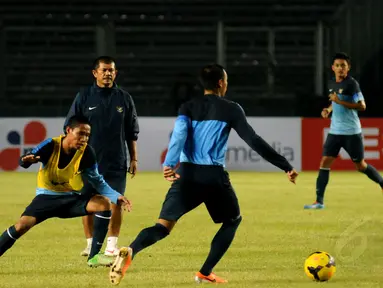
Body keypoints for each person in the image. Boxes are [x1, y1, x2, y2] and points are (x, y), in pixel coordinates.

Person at [108, 64, 298, 285]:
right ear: (220, 83)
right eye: (226, 81)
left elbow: (178, 136)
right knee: (232, 220)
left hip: (186, 174)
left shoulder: (187, 107)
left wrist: (169, 163)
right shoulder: (231, 109)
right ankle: (205, 272)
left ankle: (131, 250)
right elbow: (253, 141)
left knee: (162, 226)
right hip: (213, 176)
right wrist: (284, 165)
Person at [0, 115, 131, 267]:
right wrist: (25, 161)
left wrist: (116, 196)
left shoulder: (87, 152)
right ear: (68, 130)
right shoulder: (51, 145)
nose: (84, 139)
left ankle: (94, 257)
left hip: (70, 198)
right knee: (21, 226)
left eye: (88, 135)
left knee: (103, 203)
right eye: (81, 133)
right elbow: (27, 158)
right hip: (46, 198)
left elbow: (97, 180)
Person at [64, 56, 139, 256]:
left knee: (116, 202)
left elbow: (132, 131)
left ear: (115, 73)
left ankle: (111, 245)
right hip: (86, 161)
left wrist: (133, 158)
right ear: (95, 73)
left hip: (116, 160)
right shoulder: (84, 96)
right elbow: (69, 126)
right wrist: (70, 154)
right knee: (86, 201)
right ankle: (89, 243)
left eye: (111, 70)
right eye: (104, 70)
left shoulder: (124, 98)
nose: (108, 73)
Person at [304, 52, 383, 209]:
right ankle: (319, 202)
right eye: (338, 65)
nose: (340, 68)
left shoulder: (352, 84)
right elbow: (335, 103)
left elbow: (362, 106)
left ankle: (381, 182)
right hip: (335, 131)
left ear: (348, 68)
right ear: (333, 68)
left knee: (360, 165)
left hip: (351, 132)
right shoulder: (332, 83)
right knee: (325, 162)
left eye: (343, 66)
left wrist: (340, 101)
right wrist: (328, 110)